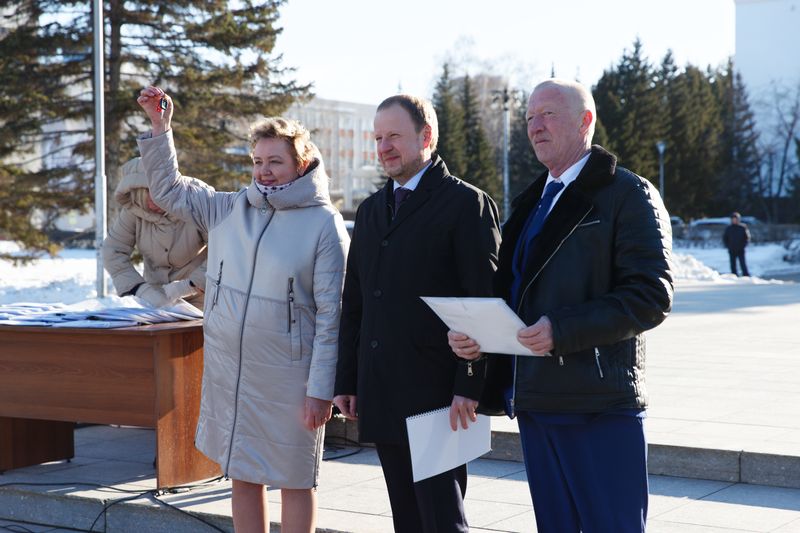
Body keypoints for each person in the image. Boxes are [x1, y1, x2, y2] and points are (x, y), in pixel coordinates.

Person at [448, 79, 674, 532]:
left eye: (548, 114)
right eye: (530, 117)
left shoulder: (628, 194)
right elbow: (516, 293)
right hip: (537, 402)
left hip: (599, 406)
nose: (535, 126)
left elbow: (651, 295)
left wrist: (562, 329)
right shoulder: (532, 204)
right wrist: (481, 336)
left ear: (585, 121)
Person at [136, 86, 349, 533]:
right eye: (258, 161)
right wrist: (161, 129)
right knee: (244, 474)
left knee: (295, 480)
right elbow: (170, 190)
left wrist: (321, 389)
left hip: (291, 379)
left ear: (301, 164)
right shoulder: (230, 208)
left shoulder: (324, 224)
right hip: (231, 372)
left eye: (276, 162)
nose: (265, 172)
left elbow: (334, 316)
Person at [333, 94, 501, 532]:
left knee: (443, 521)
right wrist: (348, 380)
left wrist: (470, 384)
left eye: (394, 137)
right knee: (406, 520)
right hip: (384, 387)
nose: (384, 147)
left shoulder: (467, 204)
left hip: (438, 395)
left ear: (426, 137)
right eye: (378, 138)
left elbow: (482, 303)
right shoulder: (370, 212)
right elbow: (356, 304)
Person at [102, 157, 210, 309]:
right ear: (137, 191)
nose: (156, 199)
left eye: (160, 191)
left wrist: (189, 286)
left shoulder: (197, 200)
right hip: (155, 301)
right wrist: (141, 290)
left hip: (201, 299)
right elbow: (112, 251)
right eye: (149, 192)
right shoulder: (133, 210)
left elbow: (223, 251)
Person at [723, 211, 751, 276]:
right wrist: (728, 246)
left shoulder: (742, 227)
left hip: (740, 249)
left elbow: (747, 237)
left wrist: (743, 245)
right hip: (732, 249)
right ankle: (734, 276)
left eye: (736, 219)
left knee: (742, 264)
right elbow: (725, 238)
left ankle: (746, 276)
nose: (734, 220)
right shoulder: (729, 228)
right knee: (733, 264)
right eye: (733, 219)